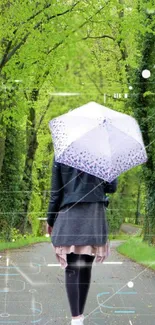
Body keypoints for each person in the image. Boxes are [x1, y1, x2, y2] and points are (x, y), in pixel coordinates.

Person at [46, 156, 117, 325]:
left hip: (69, 212)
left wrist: (50, 220)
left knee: (72, 267)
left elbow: (56, 193)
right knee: (85, 266)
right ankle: (80, 317)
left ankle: (76, 318)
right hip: (94, 214)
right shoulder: (102, 154)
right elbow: (111, 187)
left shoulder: (62, 154)